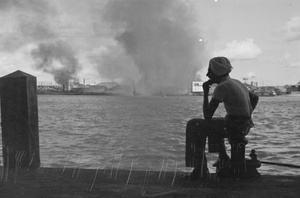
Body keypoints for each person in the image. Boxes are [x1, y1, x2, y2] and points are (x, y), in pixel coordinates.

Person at [185, 56, 259, 180]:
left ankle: (200, 169)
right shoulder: (236, 82)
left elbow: (207, 115)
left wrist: (205, 93)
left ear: (217, 72)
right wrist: (248, 114)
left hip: (234, 126)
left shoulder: (222, 87)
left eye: (210, 71)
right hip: (243, 124)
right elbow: (255, 98)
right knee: (216, 123)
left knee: (193, 125)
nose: (208, 75)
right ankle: (222, 156)